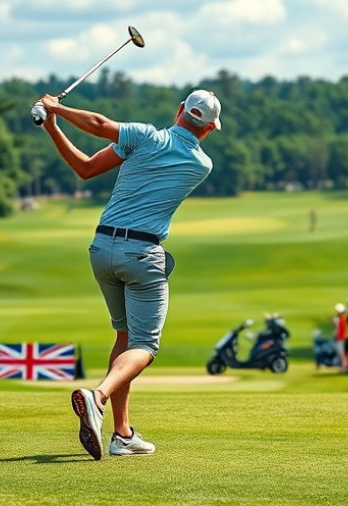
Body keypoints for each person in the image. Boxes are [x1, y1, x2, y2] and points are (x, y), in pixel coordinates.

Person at [38, 89, 221, 459]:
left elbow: (88, 162)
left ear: (180, 110)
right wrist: (57, 117)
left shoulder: (144, 137)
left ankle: (122, 434)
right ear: (210, 129)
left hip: (101, 249)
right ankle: (98, 397)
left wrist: (54, 121)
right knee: (146, 345)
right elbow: (96, 135)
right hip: (141, 254)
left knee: (124, 336)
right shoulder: (202, 164)